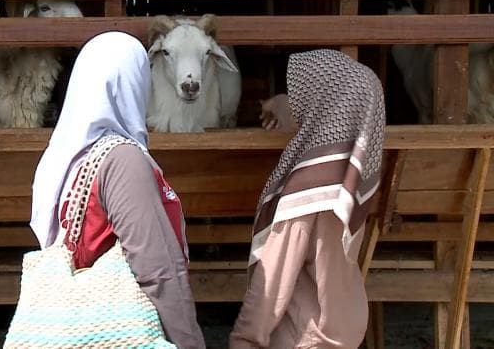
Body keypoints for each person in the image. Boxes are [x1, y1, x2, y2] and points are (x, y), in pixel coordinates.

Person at [30, 31, 206, 348]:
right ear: (133, 85)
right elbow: (159, 271)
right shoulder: (123, 160)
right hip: (123, 330)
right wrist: (189, 342)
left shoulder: (64, 158)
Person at [229, 49, 385, 348]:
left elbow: (273, 279)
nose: (297, 106)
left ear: (321, 109)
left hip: (305, 335)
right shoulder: (353, 175)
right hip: (344, 326)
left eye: (301, 100)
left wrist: (244, 339)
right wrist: (281, 106)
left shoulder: (308, 191)